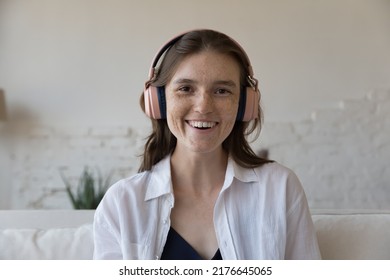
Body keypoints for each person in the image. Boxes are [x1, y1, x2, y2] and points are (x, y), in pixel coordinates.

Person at [93, 29, 321, 260]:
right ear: (159, 100)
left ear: (244, 104)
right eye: (185, 89)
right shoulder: (122, 203)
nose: (203, 106)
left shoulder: (280, 188)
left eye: (222, 91)